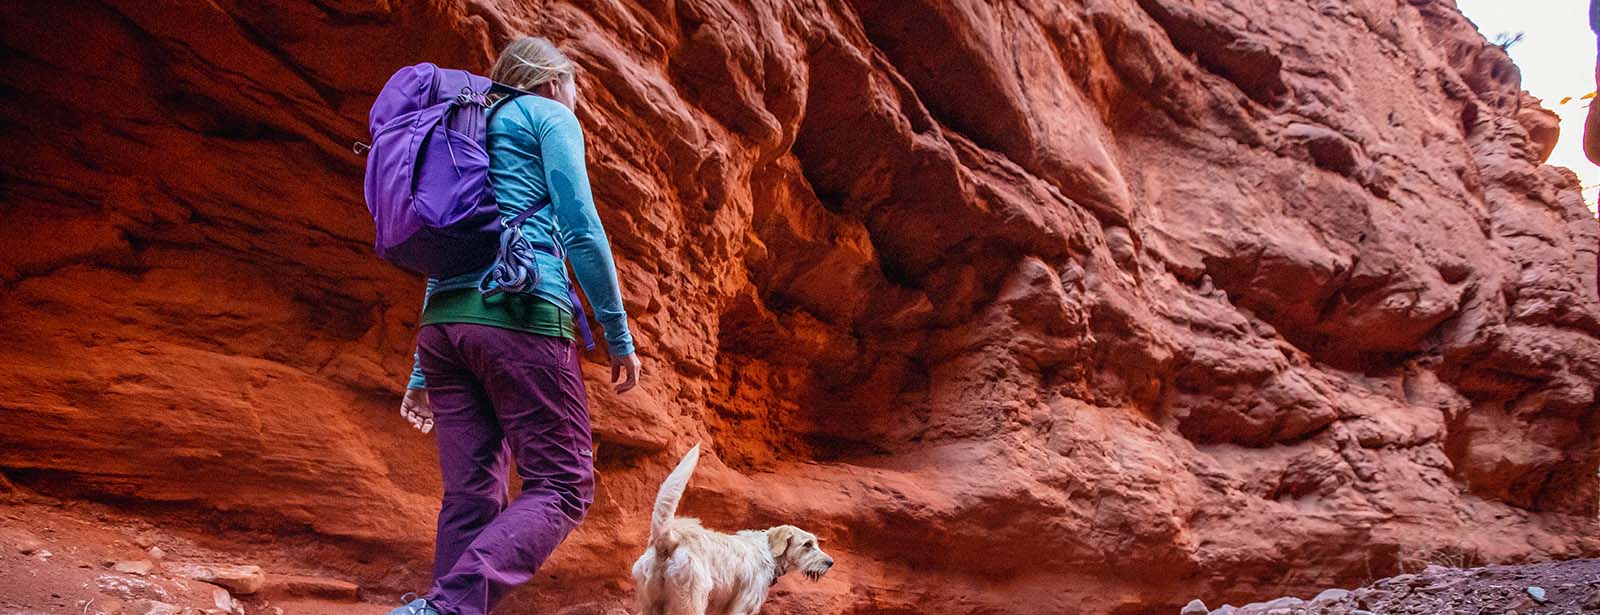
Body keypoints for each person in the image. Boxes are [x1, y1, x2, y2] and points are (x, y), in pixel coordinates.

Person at [388, 36, 643, 615]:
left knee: (471, 493)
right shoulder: (548, 114)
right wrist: (616, 332)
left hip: (444, 329)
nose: (575, 102)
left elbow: (448, 242)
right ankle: (447, 609)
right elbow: (580, 228)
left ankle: (437, 609)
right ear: (553, 83)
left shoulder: (466, 123)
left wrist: (421, 371)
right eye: (574, 90)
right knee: (563, 484)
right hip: (522, 314)